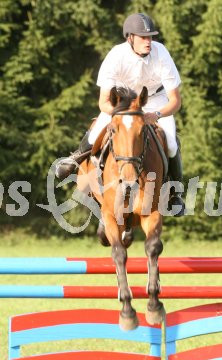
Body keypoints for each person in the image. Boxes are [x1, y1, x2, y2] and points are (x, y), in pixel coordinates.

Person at [56, 13, 185, 216]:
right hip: (123, 104)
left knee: (170, 143)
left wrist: (157, 114)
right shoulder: (116, 55)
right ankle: (74, 160)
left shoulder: (162, 53)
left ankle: (176, 194)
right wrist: (124, 114)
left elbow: (176, 101)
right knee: (95, 132)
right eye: (143, 37)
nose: (148, 41)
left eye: (150, 37)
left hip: (155, 101)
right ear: (130, 38)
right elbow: (103, 102)